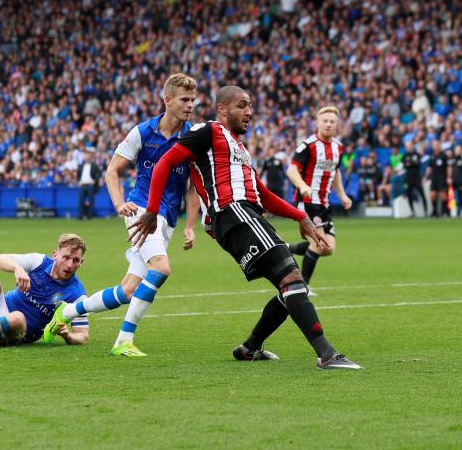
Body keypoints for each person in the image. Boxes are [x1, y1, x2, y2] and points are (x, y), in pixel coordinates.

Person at [130, 85, 361, 370]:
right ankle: (326, 354)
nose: (249, 112)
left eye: (250, 106)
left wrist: (298, 217)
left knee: (290, 284)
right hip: (233, 212)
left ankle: (250, 348)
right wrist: (152, 209)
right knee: (291, 278)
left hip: (245, 213)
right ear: (223, 110)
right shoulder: (207, 131)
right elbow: (164, 163)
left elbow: (262, 193)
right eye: (242, 105)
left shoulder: (239, 148)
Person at [43, 73, 201, 357]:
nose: (191, 105)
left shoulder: (192, 139)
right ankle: (123, 341)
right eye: (184, 100)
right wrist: (119, 205)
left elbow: (193, 189)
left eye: (193, 99)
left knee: (127, 291)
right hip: (140, 211)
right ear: (168, 100)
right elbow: (112, 170)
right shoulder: (142, 132)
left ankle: (68, 311)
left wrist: (190, 226)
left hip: (167, 220)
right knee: (161, 268)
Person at [284, 105, 353, 288]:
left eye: (332, 121)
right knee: (318, 244)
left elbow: (335, 173)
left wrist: (343, 195)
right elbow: (291, 170)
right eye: (325, 121)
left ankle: (287, 248)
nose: (329, 124)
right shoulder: (308, 145)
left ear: (336, 124)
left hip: (324, 203)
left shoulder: (338, 147)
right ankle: (303, 286)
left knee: (328, 248)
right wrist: (303, 186)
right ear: (317, 123)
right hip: (307, 202)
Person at [426, 140, 450, 217]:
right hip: (434, 177)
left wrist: (449, 177)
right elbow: (430, 167)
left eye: (436, 145)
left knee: (443, 195)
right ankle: (435, 211)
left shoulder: (444, 156)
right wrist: (425, 177)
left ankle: (446, 211)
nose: (435, 146)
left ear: (439, 146)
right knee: (433, 195)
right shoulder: (432, 156)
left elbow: (448, 167)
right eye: (434, 145)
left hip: (442, 176)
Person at [77, 147, 102, 220]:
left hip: (90, 185)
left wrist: (94, 181)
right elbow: (78, 174)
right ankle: (81, 215)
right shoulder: (81, 166)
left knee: (91, 201)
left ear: (90, 157)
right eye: (85, 155)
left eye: (87, 155)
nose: (86, 157)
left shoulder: (94, 165)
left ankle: (89, 216)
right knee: (81, 200)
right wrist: (79, 181)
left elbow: (100, 174)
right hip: (83, 185)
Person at [402, 142, 424, 216]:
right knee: (409, 195)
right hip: (408, 178)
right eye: (407, 146)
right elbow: (405, 165)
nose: (409, 147)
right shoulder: (405, 156)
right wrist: (412, 163)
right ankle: (412, 212)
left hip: (417, 177)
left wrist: (410, 164)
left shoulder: (417, 155)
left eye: (410, 146)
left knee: (422, 194)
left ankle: (426, 210)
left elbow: (417, 164)